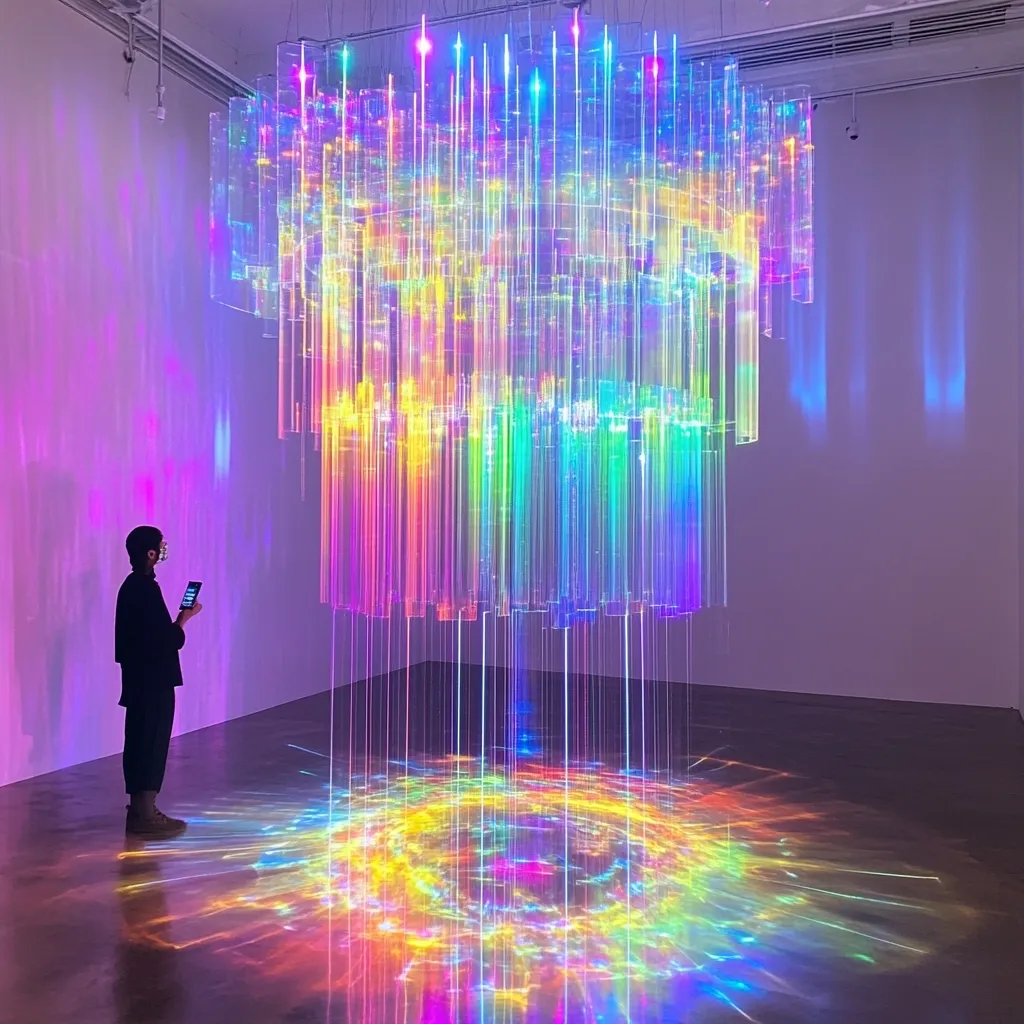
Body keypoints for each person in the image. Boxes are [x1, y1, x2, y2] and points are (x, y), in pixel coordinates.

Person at [115, 526, 202, 838]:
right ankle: (146, 812)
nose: (164, 550)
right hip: (154, 681)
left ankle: (140, 809)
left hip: (139, 679)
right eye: (160, 546)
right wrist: (184, 619)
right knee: (151, 742)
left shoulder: (131, 587)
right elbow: (166, 640)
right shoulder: (145, 590)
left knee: (139, 739)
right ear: (150, 553)